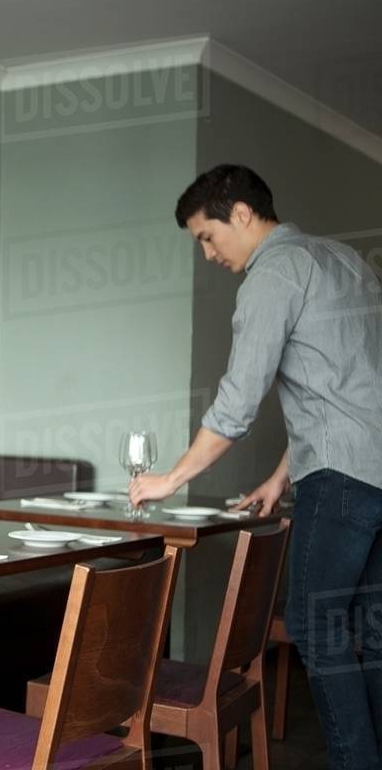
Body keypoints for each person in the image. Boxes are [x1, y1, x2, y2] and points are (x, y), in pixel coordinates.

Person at [130, 164, 382, 770]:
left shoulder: (273, 276)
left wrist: (171, 478)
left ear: (240, 213)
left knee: (312, 621)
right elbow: (351, 388)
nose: (209, 253)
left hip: (343, 483)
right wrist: (280, 476)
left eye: (206, 237)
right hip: (374, 472)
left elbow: (237, 403)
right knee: (368, 630)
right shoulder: (344, 261)